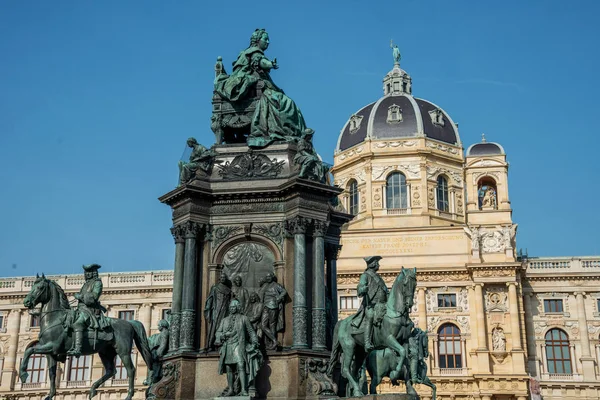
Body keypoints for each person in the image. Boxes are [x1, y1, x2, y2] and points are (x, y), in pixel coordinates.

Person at [215, 29, 307, 148]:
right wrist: (270, 64)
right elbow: (260, 62)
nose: (268, 42)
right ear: (258, 41)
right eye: (265, 39)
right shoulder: (254, 52)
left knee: (283, 100)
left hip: (256, 88)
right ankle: (281, 130)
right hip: (254, 91)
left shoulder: (251, 52)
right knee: (284, 102)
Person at [216, 299, 263, 396]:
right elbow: (218, 332)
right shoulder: (224, 320)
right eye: (231, 307)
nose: (232, 308)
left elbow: (251, 332)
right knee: (229, 367)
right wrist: (222, 336)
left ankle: (243, 389)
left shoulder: (244, 318)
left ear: (238, 307)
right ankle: (231, 389)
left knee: (241, 365)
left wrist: (254, 342)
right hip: (228, 345)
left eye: (234, 307)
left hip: (239, 344)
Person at [67, 264, 107, 357]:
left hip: (90, 311)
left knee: (78, 323)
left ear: (94, 273)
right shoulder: (86, 284)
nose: (87, 274)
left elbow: (94, 298)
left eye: (89, 272)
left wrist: (80, 296)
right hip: (81, 309)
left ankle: (78, 348)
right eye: (86, 272)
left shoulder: (97, 283)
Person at [352, 256, 389, 352]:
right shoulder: (365, 276)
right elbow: (360, 288)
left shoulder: (379, 277)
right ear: (372, 264)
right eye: (377, 263)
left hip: (383, 305)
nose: (379, 265)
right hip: (371, 305)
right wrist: (363, 289)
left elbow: (385, 290)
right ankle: (367, 342)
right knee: (370, 315)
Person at [258, 272, 287, 350]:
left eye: (269, 277)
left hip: (273, 306)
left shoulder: (276, 285)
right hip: (265, 306)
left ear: (272, 277)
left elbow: (284, 292)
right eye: (267, 277)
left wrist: (278, 298)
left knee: (272, 325)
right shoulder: (265, 285)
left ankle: (271, 344)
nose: (268, 278)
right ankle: (274, 341)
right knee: (263, 325)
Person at [205, 272, 233, 351]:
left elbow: (230, 302)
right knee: (215, 327)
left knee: (224, 327)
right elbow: (210, 298)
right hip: (216, 310)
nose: (223, 279)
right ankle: (211, 344)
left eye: (224, 277)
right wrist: (208, 308)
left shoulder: (228, 290)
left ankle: (223, 344)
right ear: (219, 279)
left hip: (225, 310)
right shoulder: (215, 288)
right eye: (222, 277)